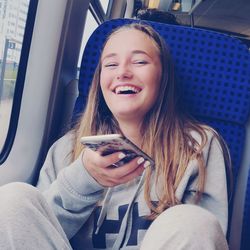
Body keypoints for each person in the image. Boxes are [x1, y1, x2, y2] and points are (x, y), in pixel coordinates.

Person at [0, 22, 230, 250]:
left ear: (163, 77)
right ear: (100, 82)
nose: (122, 72)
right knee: (12, 199)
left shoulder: (198, 146)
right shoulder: (67, 148)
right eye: (110, 64)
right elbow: (37, 231)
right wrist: (84, 180)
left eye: (140, 62)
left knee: (191, 222)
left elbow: (204, 236)